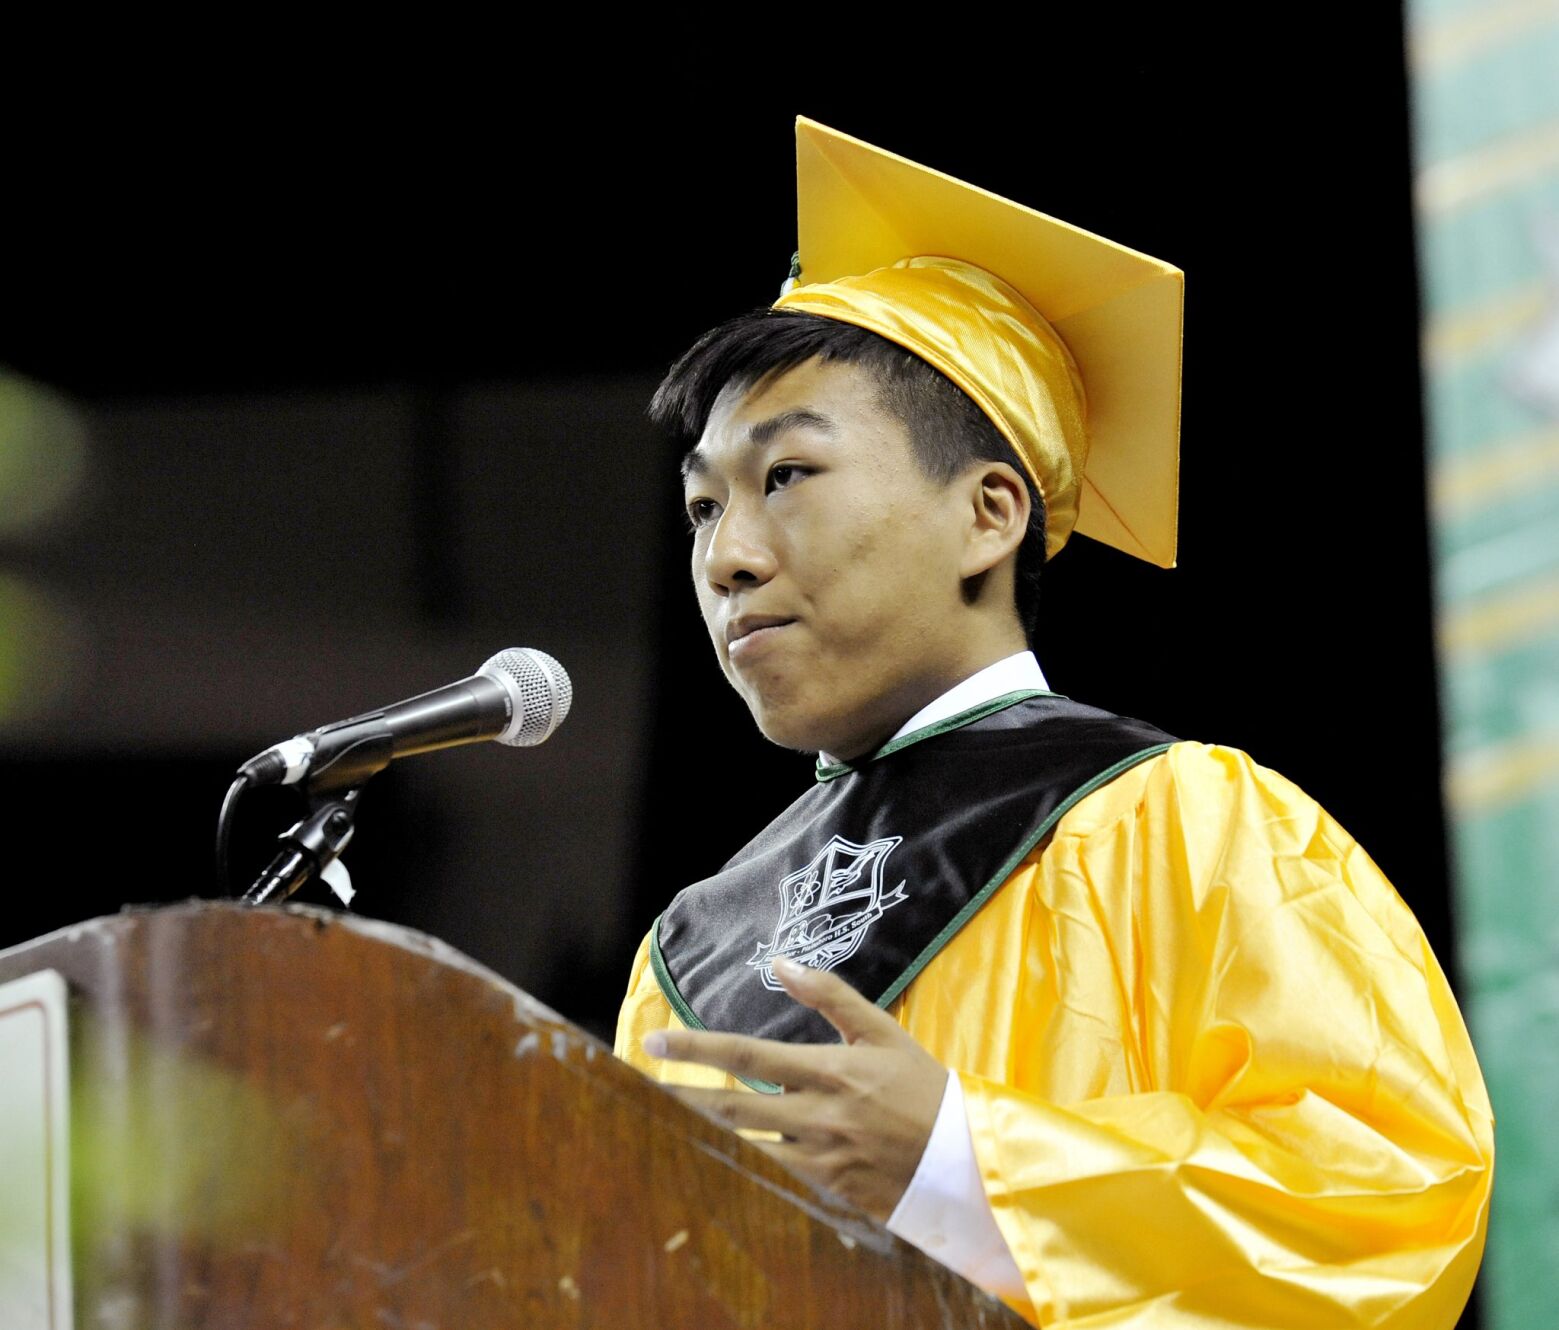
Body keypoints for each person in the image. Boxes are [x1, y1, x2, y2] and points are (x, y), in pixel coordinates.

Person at [613, 118, 1494, 1328]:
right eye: (701, 508)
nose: (727, 557)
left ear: (987, 515)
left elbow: (1385, 1196)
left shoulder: (1192, 825)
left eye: (785, 477)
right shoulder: (688, 956)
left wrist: (960, 1164)